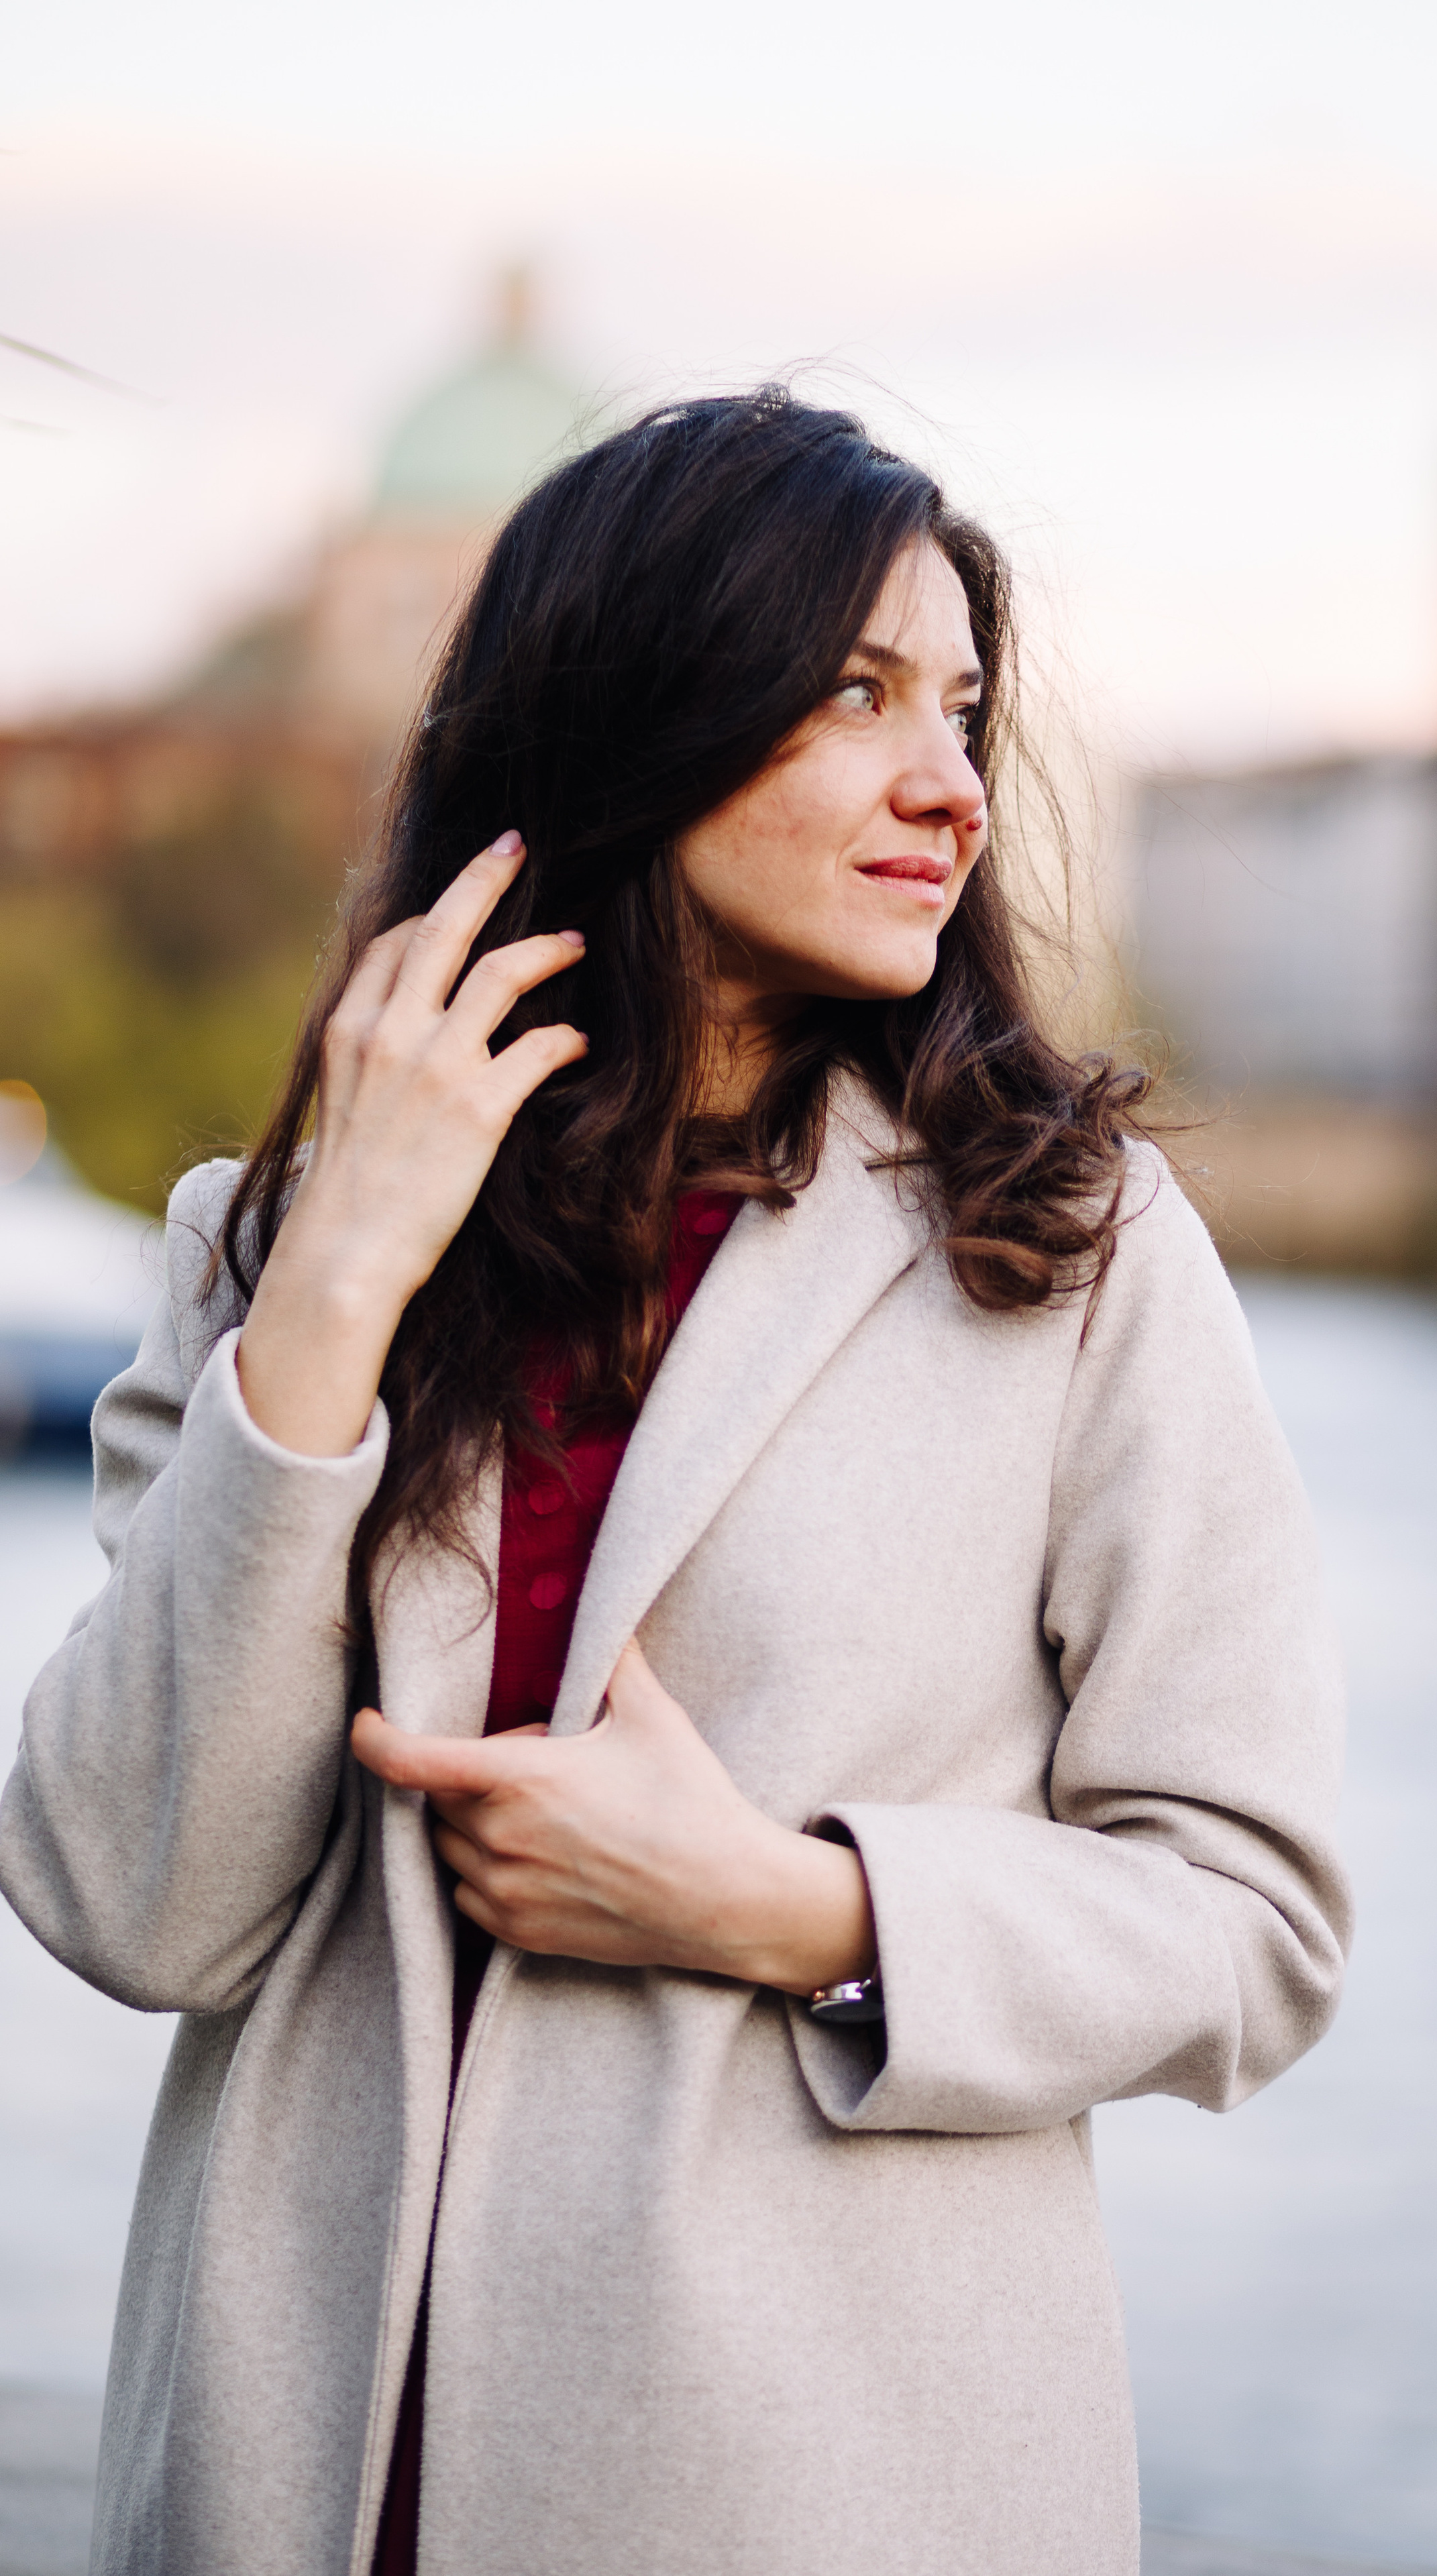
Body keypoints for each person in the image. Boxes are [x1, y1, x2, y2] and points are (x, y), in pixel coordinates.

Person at [0, 390, 1350, 2576]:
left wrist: (790, 1909)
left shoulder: (1067, 1253)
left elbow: (1257, 1924)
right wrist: (334, 1294)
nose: (952, 783)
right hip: (293, 2488)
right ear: (638, 715)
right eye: (856, 696)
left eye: (967, 710)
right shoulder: (273, 1253)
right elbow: (128, 1905)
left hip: (824, 2492)